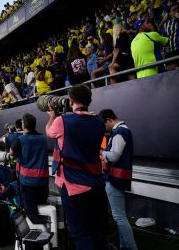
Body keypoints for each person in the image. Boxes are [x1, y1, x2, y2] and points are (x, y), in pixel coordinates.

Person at [46, 84, 108, 250]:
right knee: (97, 230)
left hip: (73, 185)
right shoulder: (99, 121)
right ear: (89, 101)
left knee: (80, 233)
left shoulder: (61, 121)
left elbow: (49, 132)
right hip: (96, 183)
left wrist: (52, 115)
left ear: (70, 100)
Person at [99, 109, 138, 250]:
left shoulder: (120, 132)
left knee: (119, 217)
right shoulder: (122, 130)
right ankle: (124, 246)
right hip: (119, 178)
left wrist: (102, 152)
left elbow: (114, 156)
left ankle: (131, 247)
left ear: (109, 120)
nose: (103, 128)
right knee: (121, 216)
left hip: (115, 179)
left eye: (104, 124)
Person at [10, 113, 49, 222]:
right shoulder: (43, 138)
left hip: (27, 182)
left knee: (31, 212)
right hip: (43, 181)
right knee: (42, 208)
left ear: (23, 125)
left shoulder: (21, 139)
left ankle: (36, 235)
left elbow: (11, 152)